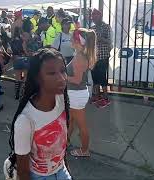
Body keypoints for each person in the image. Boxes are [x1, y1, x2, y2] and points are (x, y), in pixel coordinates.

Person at [7, 48, 71, 180]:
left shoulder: (61, 99)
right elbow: (23, 172)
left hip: (61, 171)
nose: (61, 78)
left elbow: (62, 147)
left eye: (63, 71)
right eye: (51, 73)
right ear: (37, 78)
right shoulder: (25, 121)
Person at [67, 28, 97, 157]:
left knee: (81, 125)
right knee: (71, 121)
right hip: (76, 94)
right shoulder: (80, 55)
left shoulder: (79, 57)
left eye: (72, 38)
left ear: (78, 41)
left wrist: (62, 76)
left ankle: (84, 150)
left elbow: (77, 80)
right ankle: (66, 142)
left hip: (76, 94)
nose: (70, 40)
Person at [90, 9, 112, 108]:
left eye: (96, 16)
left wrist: (100, 39)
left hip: (103, 57)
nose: (94, 18)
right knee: (95, 78)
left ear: (100, 16)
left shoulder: (106, 27)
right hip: (94, 57)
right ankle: (97, 97)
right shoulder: (92, 28)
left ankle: (106, 98)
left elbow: (110, 42)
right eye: (93, 16)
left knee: (102, 78)